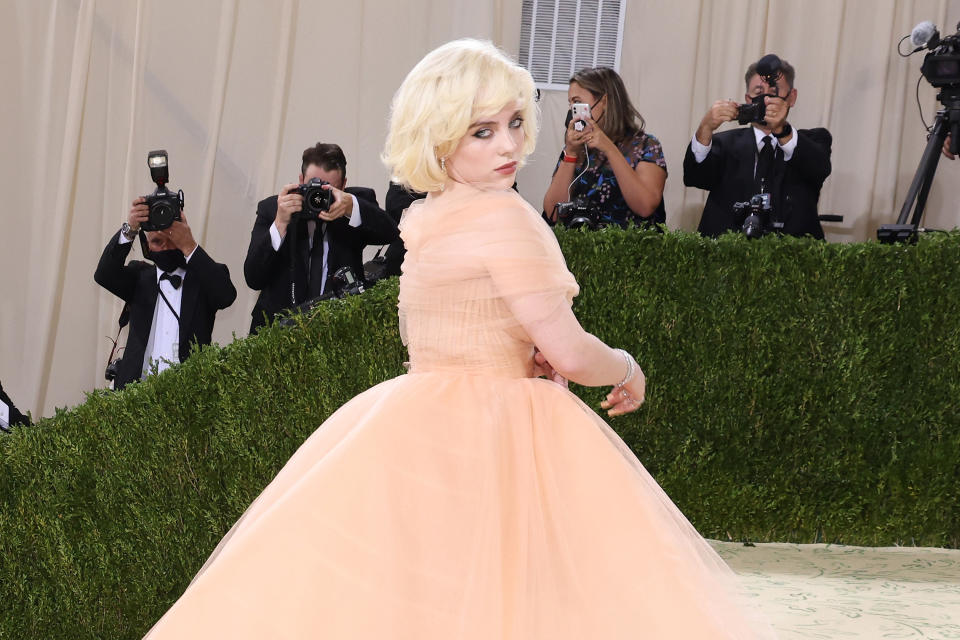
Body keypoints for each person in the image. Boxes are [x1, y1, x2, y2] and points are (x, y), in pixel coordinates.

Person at [144, 40, 775, 639]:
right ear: (440, 140)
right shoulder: (506, 218)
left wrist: (525, 352)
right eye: (482, 130)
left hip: (412, 426)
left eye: (514, 123)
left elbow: (445, 332)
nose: (508, 145)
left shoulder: (428, 219)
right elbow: (572, 352)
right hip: (497, 436)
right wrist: (625, 366)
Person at [243, 143, 399, 333]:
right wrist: (280, 224)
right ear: (300, 180)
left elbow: (391, 232)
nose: (318, 197)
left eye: (328, 189)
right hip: (278, 330)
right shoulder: (274, 208)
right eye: (312, 186)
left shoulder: (353, 204)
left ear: (343, 185)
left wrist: (351, 208)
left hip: (339, 331)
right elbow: (253, 277)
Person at [684, 54, 832, 238]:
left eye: (774, 90)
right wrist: (705, 129)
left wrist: (782, 130)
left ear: (791, 98)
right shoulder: (724, 144)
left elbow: (819, 168)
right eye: (759, 91)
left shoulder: (815, 139)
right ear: (748, 99)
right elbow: (694, 177)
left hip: (794, 255)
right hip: (726, 254)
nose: (767, 99)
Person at [94, 202, 237, 390]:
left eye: (172, 239)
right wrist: (130, 228)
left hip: (188, 397)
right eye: (157, 242)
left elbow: (226, 296)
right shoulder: (139, 277)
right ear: (147, 247)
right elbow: (104, 274)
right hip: (135, 395)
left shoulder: (204, 276)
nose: (166, 247)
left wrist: (189, 245)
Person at [542, 66, 667, 228]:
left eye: (577, 102)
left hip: (626, 247)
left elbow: (645, 206)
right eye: (571, 103)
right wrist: (571, 152)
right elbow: (552, 212)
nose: (571, 110)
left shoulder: (646, 145)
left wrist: (608, 148)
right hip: (577, 245)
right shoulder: (578, 147)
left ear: (605, 102)